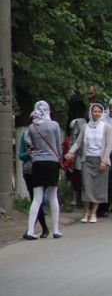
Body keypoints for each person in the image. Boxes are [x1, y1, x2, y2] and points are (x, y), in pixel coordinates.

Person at [65, 102, 112, 223]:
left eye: (99, 112)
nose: (97, 114)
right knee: (86, 186)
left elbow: (108, 146)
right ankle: (86, 212)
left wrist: (104, 160)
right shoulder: (85, 127)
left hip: (100, 160)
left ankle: (94, 213)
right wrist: (71, 152)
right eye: (95, 111)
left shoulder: (106, 127)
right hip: (87, 160)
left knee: (98, 187)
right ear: (91, 112)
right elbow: (78, 142)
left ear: (102, 113)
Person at [23, 101, 63, 240]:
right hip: (52, 162)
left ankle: (30, 231)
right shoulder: (54, 125)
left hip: (37, 163)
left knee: (37, 198)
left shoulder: (32, 127)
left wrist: (35, 154)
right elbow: (58, 146)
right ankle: (56, 230)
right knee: (53, 195)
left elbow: (28, 144)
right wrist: (59, 159)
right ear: (48, 110)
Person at [18, 130, 49, 238]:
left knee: (37, 200)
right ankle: (42, 228)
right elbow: (21, 156)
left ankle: (33, 230)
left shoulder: (46, 133)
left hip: (42, 170)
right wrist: (28, 153)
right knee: (35, 200)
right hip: (29, 171)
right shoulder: (24, 135)